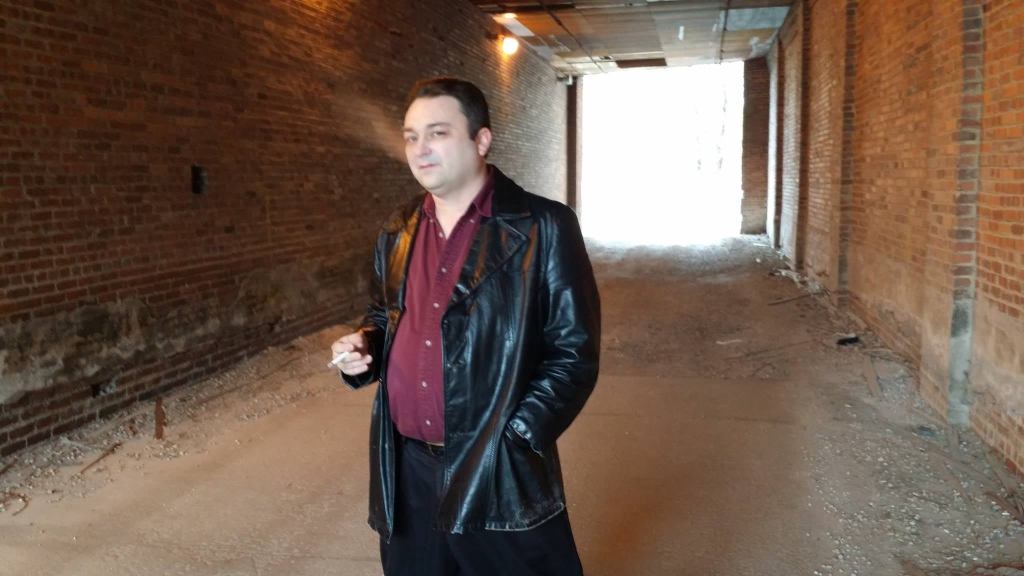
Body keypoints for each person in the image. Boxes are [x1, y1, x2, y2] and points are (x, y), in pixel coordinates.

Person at [331, 77, 600, 576]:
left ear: (481, 140)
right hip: (408, 468)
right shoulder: (397, 229)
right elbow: (384, 315)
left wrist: (517, 437)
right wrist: (365, 346)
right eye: (411, 136)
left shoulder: (543, 226)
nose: (420, 149)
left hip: (497, 469)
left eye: (437, 133)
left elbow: (574, 353)